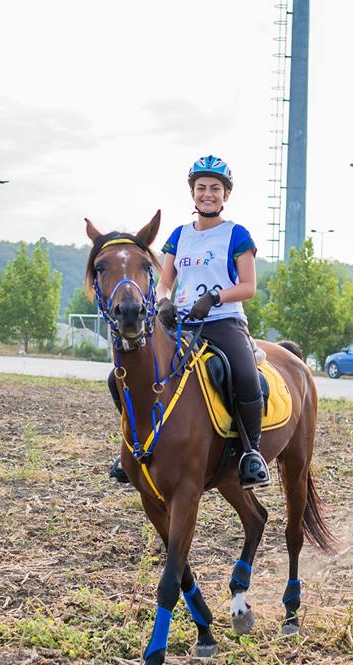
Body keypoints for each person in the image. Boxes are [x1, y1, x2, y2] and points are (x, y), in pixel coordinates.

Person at [109, 155, 269, 488]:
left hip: (223, 321)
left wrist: (215, 297)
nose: (207, 194)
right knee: (118, 377)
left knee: (244, 376)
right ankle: (134, 445)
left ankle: (251, 453)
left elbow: (249, 287)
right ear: (192, 193)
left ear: (226, 194)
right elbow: (165, 281)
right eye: (201, 188)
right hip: (180, 322)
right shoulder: (179, 235)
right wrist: (164, 301)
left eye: (215, 188)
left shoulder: (237, 235)